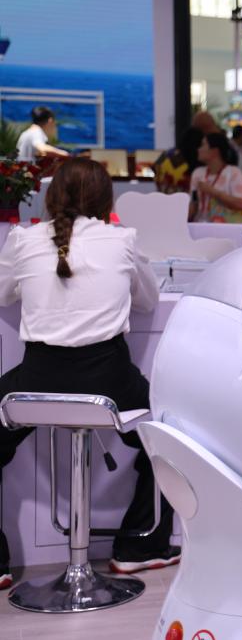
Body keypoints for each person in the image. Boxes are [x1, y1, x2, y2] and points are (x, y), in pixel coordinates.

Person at [0, 159, 178, 590]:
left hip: (37, 382)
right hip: (109, 383)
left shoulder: (22, 239)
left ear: (51, 197)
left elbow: (3, 294)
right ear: (105, 199)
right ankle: (140, 547)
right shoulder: (122, 239)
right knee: (172, 435)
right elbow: (148, 300)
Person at [190, 132, 242, 223]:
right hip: (200, 224)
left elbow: (240, 204)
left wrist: (212, 191)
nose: (199, 149)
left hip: (225, 227)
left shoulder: (234, 173)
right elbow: (193, 204)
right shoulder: (197, 173)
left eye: (203, 145)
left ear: (215, 151)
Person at [154, 127, 203, 195]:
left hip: (163, 196)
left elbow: (154, 167)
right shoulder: (196, 162)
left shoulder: (166, 154)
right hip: (184, 198)